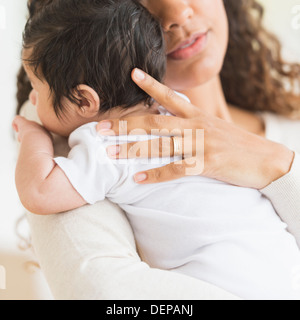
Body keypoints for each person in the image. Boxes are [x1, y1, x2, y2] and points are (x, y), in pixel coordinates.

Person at [16, 0, 300, 300]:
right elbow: (102, 293)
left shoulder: (104, 140)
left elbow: (40, 189)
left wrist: (276, 165)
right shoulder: (90, 130)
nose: (177, 13)